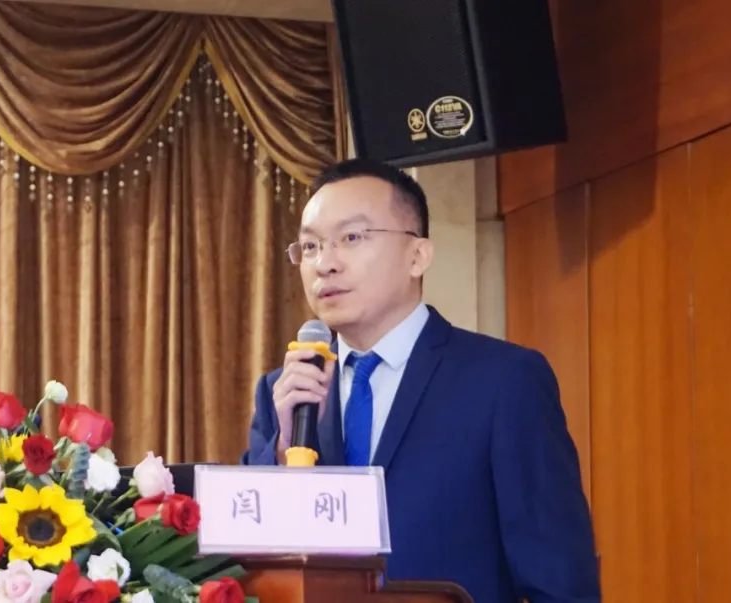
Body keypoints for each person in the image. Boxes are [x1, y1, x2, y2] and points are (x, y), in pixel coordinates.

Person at [240, 158, 601, 603]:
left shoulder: (504, 382)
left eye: (351, 238)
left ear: (417, 255)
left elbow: (560, 582)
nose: (325, 264)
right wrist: (280, 453)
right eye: (310, 246)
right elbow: (248, 565)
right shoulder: (285, 394)